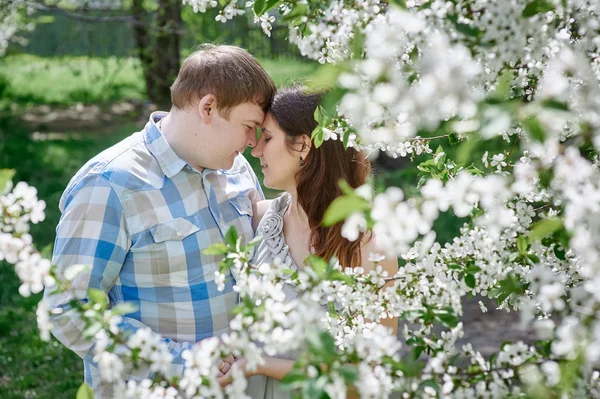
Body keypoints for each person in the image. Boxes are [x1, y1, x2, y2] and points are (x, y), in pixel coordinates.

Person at [43, 44, 276, 398]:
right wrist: (183, 361)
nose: (253, 142)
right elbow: (67, 309)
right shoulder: (110, 184)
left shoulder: (237, 170)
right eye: (249, 126)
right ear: (208, 108)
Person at [223, 86, 399, 397]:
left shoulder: (370, 250)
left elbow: (367, 375)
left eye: (267, 138)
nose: (256, 150)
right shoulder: (261, 221)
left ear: (303, 146)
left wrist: (261, 364)